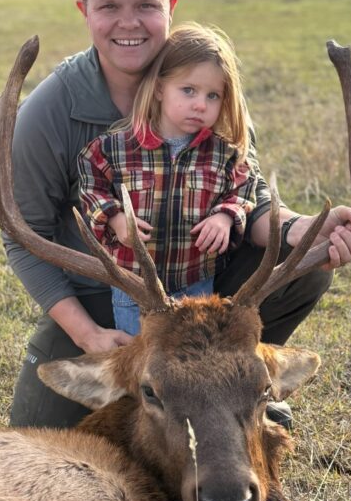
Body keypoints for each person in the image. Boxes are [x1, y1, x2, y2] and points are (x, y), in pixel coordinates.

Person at [4, 0, 351, 431]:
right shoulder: (49, 111)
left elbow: (249, 198)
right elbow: (23, 237)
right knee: (37, 435)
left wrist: (301, 229)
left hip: (201, 286)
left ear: (170, 8)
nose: (129, 22)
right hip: (103, 295)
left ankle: (240, 384)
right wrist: (88, 335)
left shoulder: (209, 90)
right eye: (109, 6)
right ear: (84, 10)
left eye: (146, 5)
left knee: (303, 265)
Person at [78, 22, 258, 336]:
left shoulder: (223, 155)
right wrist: (114, 218)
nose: (200, 104)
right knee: (143, 355)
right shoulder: (116, 148)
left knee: (192, 353)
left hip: (196, 283)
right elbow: (91, 184)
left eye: (213, 95)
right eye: (188, 90)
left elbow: (244, 189)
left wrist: (226, 216)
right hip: (134, 286)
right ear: (160, 89)